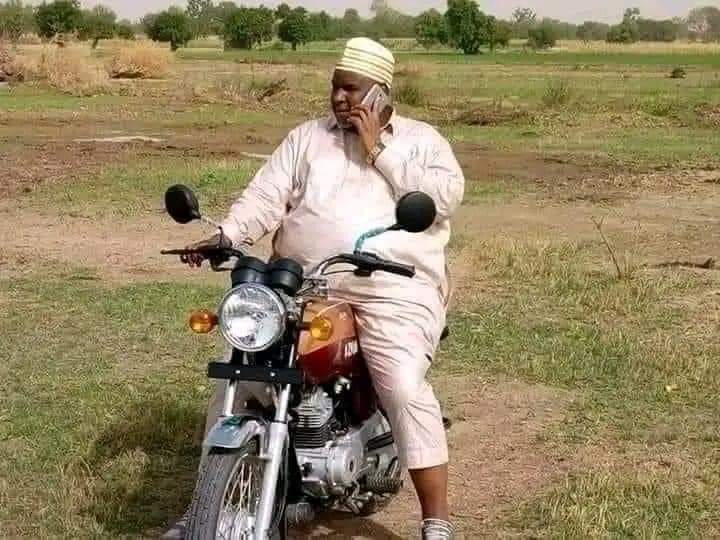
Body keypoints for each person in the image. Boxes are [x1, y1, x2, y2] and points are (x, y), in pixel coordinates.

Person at [166, 37, 464, 540]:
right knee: (241, 375)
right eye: (336, 87)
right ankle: (207, 506)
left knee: (403, 386)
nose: (340, 98)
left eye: (352, 89)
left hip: (391, 285)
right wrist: (227, 235)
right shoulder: (307, 138)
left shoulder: (421, 141)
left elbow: (438, 199)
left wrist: (379, 151)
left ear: (379, 93)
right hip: (304, 283)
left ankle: (436, 521)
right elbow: (266, 195)